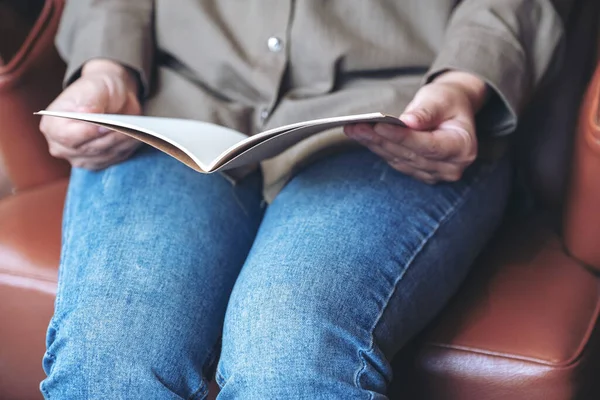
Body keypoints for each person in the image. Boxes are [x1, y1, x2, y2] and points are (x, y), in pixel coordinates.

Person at [38, 1, 570, 398]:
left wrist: (464, 82)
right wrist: (106, 66)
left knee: (290, 349)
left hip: (397, 118)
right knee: (108, 357)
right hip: (175, 98)